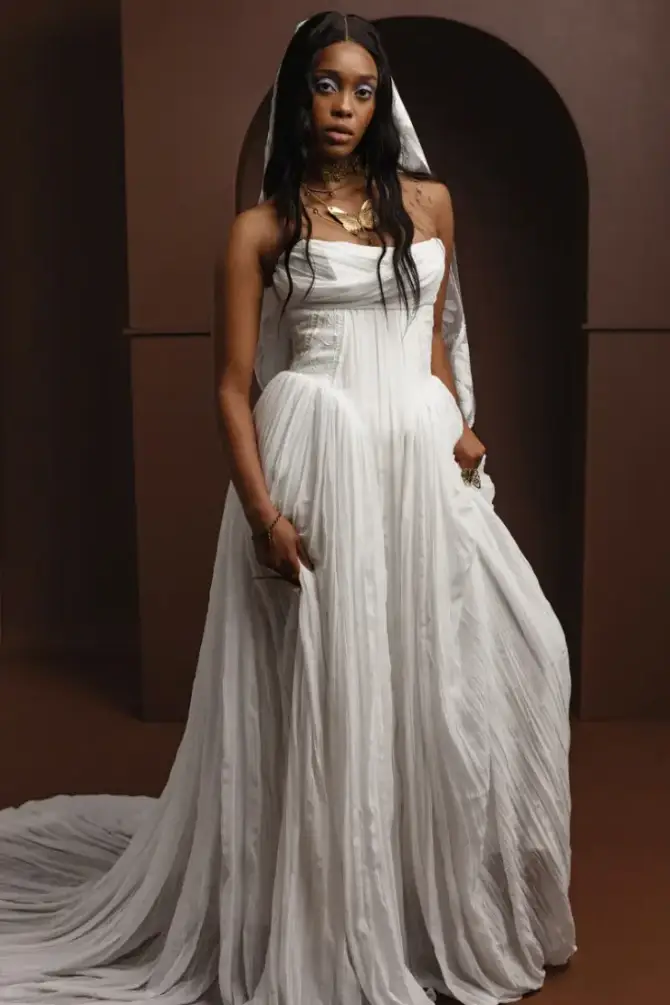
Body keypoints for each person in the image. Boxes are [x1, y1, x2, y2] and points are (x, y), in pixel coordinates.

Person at [0, 11, 576, 1005]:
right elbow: (231, 383)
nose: (343, 106)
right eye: (324, 86)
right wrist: (264, 511)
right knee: (329, 684)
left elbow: (435, 334)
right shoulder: (260, 229)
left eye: (360, 88)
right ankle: (322, 910)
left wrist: (459, 425)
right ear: (298, 97)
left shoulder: (432, 206)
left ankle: (413, 900)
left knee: (450, 667)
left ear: (380, 98)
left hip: (413, 455)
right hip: (316, 457)